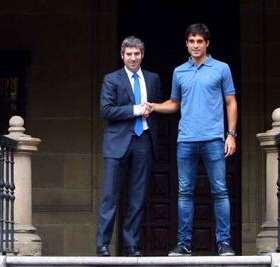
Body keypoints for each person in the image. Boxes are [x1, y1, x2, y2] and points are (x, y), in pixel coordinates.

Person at [147, 23, 238, 256]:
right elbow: (175, 103)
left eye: (199, 41)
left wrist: (231, 135)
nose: (195, 45)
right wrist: (155, 106)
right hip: (186, 140)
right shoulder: (179, 72)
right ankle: (184, 243)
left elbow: (231, 102)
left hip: (214, 139)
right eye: (191, 41)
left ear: (207, 43)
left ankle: (224, 243)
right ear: (186, 44)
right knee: (185, 192)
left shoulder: (221, 68)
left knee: (219, 191)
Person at [96, 36, 162, 256]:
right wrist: (134, 110)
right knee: (110, 196)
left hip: (143, 140)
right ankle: (103, 244)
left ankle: (130, 244)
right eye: (129, 54)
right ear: (122, 56)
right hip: (117, 143)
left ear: (142, 55)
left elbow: (158, 109)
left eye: (137, 54)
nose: (133, 58)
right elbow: (106, 111)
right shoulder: (112, 79)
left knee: (137, 196)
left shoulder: (153, 79)